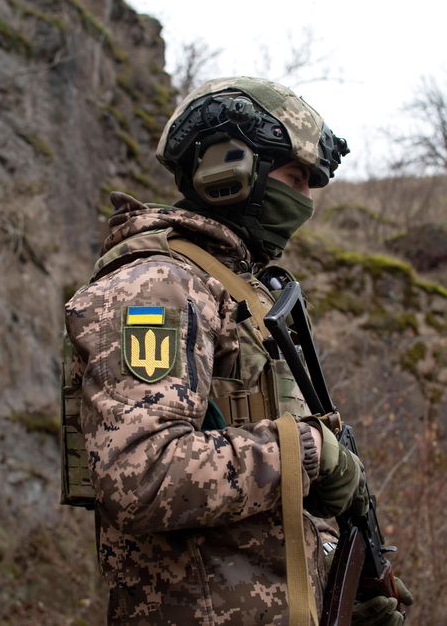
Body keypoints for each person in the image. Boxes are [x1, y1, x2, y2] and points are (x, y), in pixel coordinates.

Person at [64, 77, 412, 625]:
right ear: (225, 169)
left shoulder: (237, 292)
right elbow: (140, 475)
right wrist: (311, 453)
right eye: (294, 178)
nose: (304, 201)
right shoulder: (156, 287)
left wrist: (340, 581)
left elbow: (256, 523)